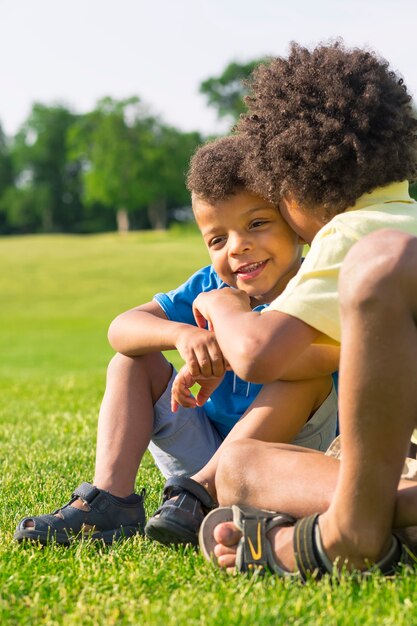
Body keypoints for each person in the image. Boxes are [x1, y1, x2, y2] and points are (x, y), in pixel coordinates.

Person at [14, 134, 337, 546]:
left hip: (286, 458)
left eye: (257, 223)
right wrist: (181, 334)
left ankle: (209, 492)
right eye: (218, 239)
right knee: (132, 359)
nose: (238, 247)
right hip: (199, 464)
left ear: (296, 224)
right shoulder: (210, 285)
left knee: (305, 378)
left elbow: (322, 361)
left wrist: (227, 351)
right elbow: (121, 327)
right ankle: (113, 501)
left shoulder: (317, 286)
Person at [192, 42, 417, 577]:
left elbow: (258, 356)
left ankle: (354, 527)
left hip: (401, 464)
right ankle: (399, 518)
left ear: (293, 184)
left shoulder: (352, 233)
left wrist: (220, 306)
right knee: (249, 460)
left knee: (243, 467)